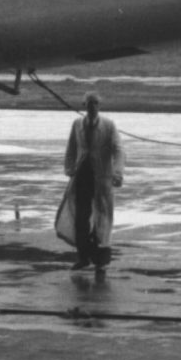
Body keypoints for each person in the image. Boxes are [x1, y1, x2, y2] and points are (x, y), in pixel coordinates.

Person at [56, 93, 122, 275]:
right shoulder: (77, 124)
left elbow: (119, 149)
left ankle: (101, 262)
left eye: (96, 103)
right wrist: (69, 167)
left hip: (101, 178)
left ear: (99, 106)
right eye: (89, 103)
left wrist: (117, 172)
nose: (93, 106)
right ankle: (83, 257)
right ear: (84, 105)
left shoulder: (109, 125)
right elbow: (71, 148)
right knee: (81, 218)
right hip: (82, 176)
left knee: (102, 217)